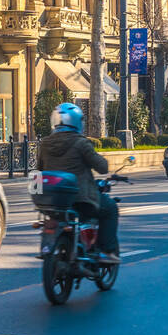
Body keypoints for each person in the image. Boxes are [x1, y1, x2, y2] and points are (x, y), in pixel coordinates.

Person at [36, 102, 119, 263]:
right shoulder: (81, 143)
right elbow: (102, 167)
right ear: (77, 122)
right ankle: (107, 251)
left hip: (52, 202)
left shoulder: (45, 143)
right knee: (110, 208)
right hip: (81, 199)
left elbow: (39, 170)